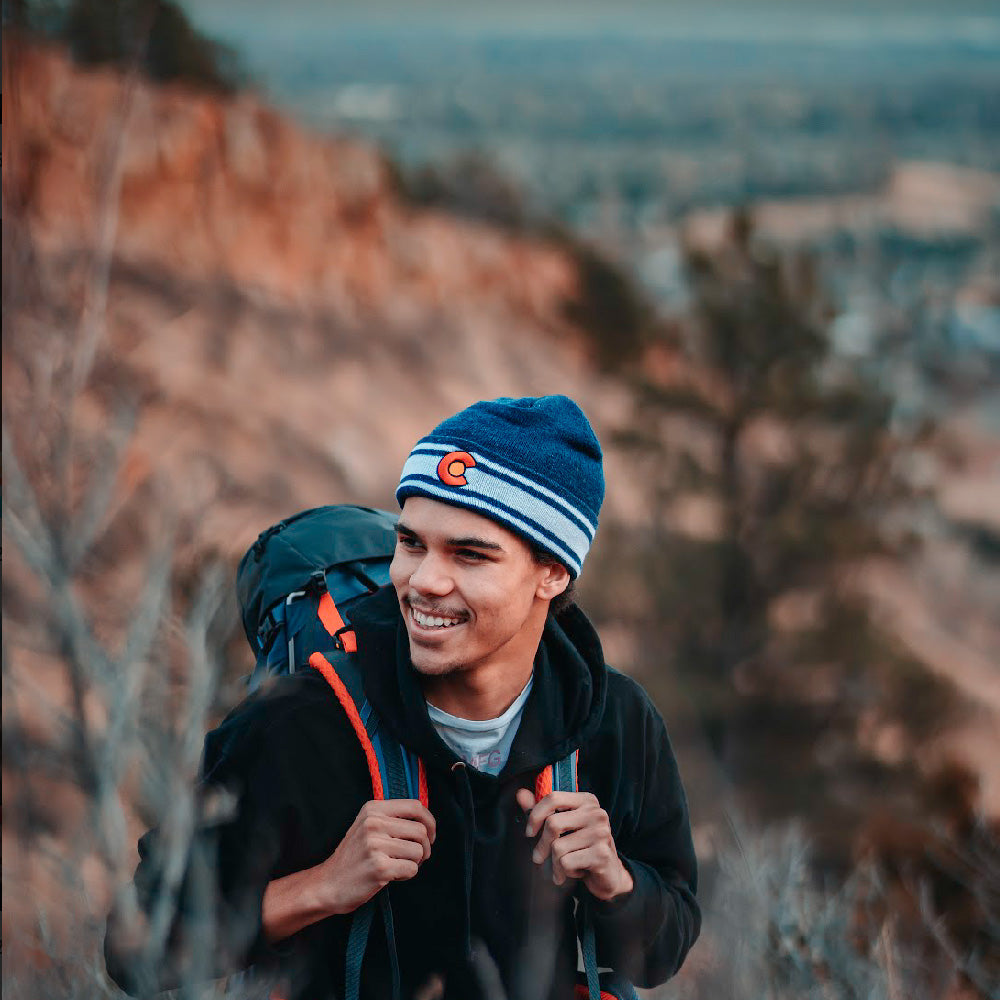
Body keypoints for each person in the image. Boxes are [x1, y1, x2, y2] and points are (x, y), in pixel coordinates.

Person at [105, 395, 700, 1000]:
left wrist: (616, 882)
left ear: (552, 572)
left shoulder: (615, 721)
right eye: (412, 543)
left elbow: (664, 950)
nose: (422, 581)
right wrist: (320, 886)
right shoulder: (298, 721)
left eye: (469, 554)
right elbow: (137, 950)